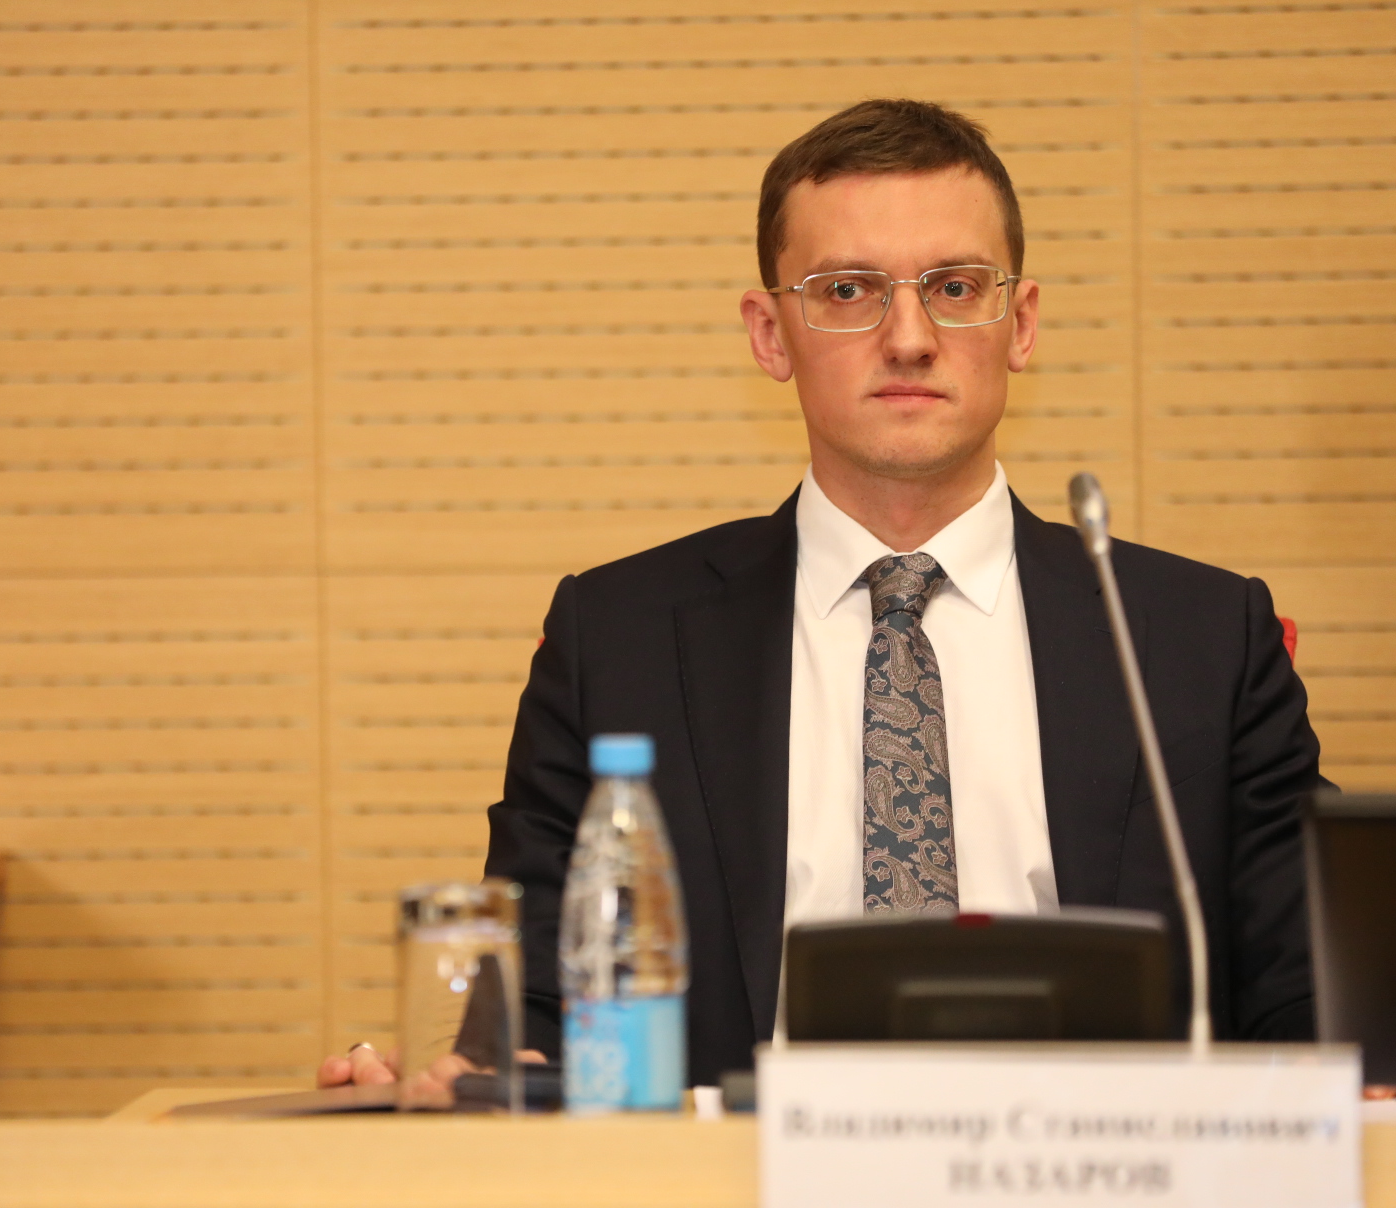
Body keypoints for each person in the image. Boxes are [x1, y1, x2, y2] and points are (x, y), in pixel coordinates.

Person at [323, 98, 1322, 1092]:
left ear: (1020, 323)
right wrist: (473, 1068)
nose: (910, 337)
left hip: (1099, 1176)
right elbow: (543, 995)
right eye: (848, 291)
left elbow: (1309, 988)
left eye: (955, 286)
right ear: (770, 335)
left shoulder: (1199, 641)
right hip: (734, 1185)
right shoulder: (618, 642)